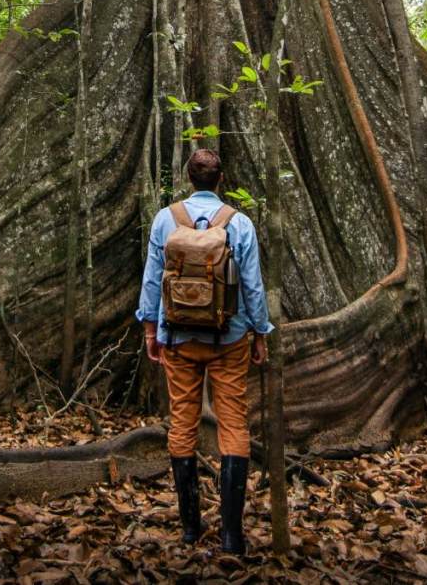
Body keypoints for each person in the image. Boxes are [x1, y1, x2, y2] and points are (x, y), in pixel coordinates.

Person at [135, 148, 273, 555]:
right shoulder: (240, 223)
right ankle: (231, 535)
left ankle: (191, 529)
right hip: (229, 340)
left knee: (183, 423)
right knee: (233, 425)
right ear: (222, 179)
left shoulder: (166, 219)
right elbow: (252, 286)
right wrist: (260, 333)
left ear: (188, 178)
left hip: (177, 339)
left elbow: (151, 279)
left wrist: (150, 329)